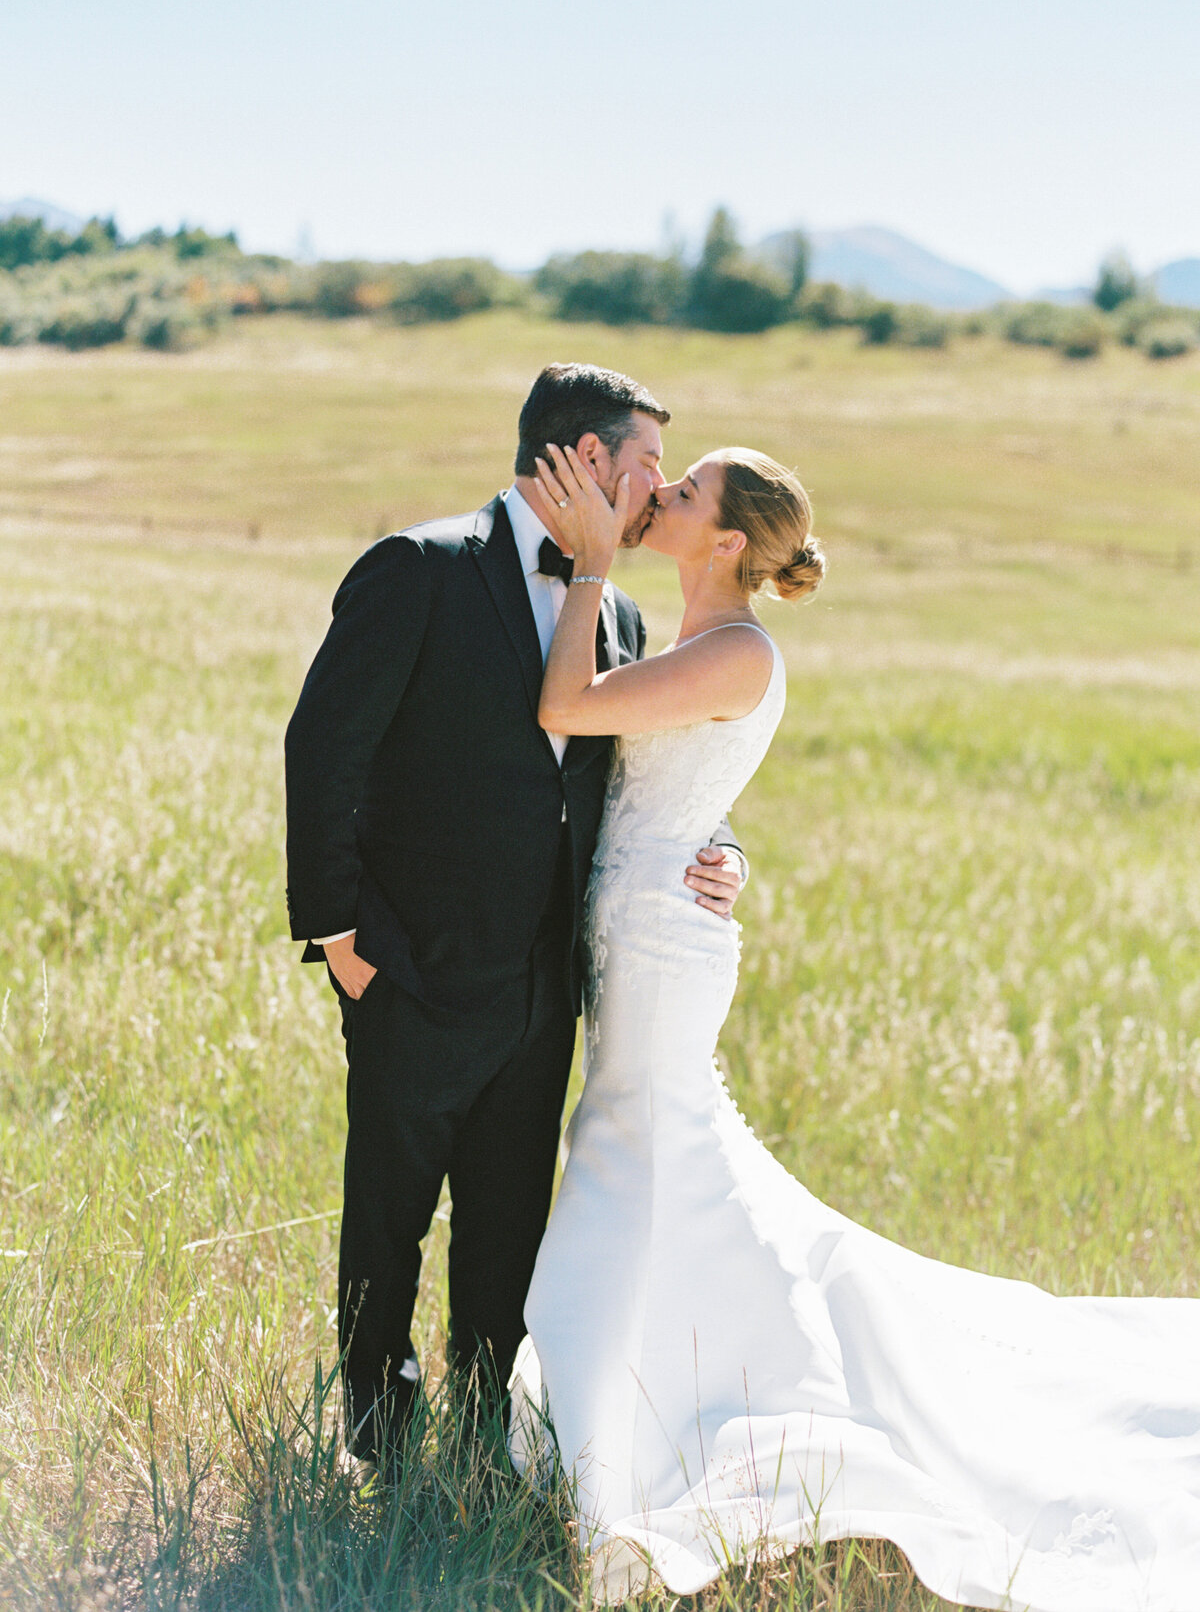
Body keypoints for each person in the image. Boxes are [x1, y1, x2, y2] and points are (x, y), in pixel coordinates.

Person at [511, 444, 1200, 1611]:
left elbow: (569, 707)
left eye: (683, 496)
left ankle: (634, 1423)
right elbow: (684, 784)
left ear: (727, 542)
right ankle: (652, 1385)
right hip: (646, 921)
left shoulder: (735, 646)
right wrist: (729, 846)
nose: (659, 498)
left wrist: (583, 563)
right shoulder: (689, 638)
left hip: (665, 952)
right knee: (647, 1146)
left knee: (637, 1143)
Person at [283, 363, 747, 1468]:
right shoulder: (421, 568)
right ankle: (377, 1447)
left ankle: (488, 1444)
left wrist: (724, 850)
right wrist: (341, 937)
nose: (655, 494)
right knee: (387, 1222)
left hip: (545, 992)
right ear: (586, 460)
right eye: (644, 471)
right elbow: (322, 746)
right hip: (409, 971)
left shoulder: (620, 611)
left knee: (507, 1238)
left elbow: (647, 779)